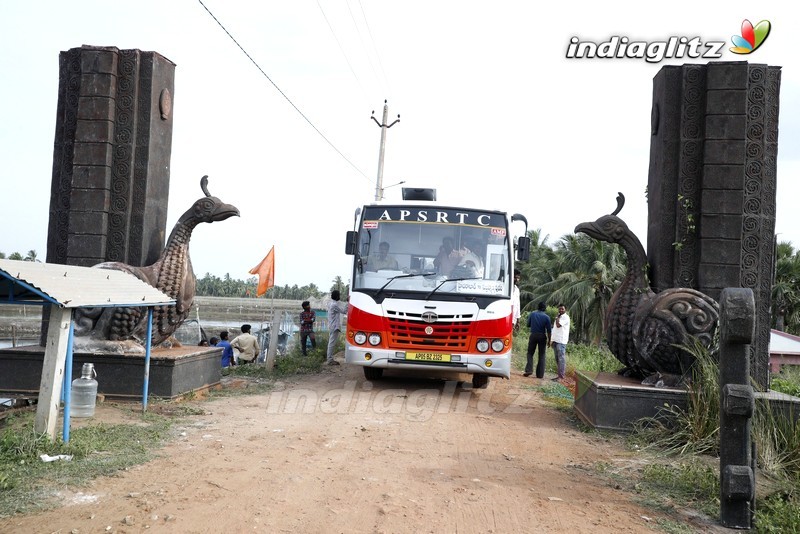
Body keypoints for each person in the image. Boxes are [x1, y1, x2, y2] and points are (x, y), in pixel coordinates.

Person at [525, 301, 552, 379]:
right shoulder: (547, 317)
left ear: (538, 307)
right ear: (545, 308)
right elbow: (549, 330)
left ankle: (529, 370)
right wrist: (549, 340)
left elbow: (528, 325)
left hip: (533, 335)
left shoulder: (532, 314)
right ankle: (540, 374)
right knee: (542, 355)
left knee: (530, 353)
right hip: (542, 336)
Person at [326, 290, 348, 365]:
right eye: (339, 295)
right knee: (331, 343)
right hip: (334, 326)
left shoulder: (330, 303)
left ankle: (329, 358)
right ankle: (330, 359)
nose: (340, 297)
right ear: (337, 296)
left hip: (331, 325)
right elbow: (344, 311)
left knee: (331, 342)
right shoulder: (334, 305)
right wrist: (348, 302)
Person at [550, 304, 571, 381]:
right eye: (559, 309)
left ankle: (561, 377)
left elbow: (558, 325)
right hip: (556, 340)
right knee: (557, 359)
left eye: (562, 309)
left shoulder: (566, 317)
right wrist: (551, 340)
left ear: (565, 310)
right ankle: (559, 376)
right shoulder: (558, 317)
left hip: (561, 341)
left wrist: (557, 318)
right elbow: (555, 329)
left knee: (561, 359)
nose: (561, 310)